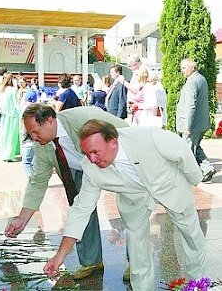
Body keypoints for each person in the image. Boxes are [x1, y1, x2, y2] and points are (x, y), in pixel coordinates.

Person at [43, 119, 207, 290]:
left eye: (95, 152)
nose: (91, 159)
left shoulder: (148, 137)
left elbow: (181, 150)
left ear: (113, 142)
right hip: (134, 201)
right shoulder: (91, 167)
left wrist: (194, 179)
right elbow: (80, 209)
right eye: (86, 154)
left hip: (169, 187)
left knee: (192, 237)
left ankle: (199, 284)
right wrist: (60, 255)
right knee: (137, 250)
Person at [4, 104, 129, 280]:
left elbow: (123, 132)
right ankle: (91, 261)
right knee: (80, 210)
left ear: (49, 120)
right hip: (79, 169)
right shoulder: (42, 144)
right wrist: (22, 219)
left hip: (115, 160)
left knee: (131, 208)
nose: (33, 137)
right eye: (30, 133)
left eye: (35, 131)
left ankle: (136, 263)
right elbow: (37, 181)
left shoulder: (84, 119)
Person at [176, 58, 215, 182]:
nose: (182, 71)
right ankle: (207, 168)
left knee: (187, 152)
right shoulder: (201, 79)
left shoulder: (192, 82)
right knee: (195, 147)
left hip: (192, 125)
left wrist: (188, 126)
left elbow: (191, 106)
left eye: (184, 68)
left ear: (192, 68)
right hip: (200, 123)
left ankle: (189, 178)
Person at [0, 72, 21, 162]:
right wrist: (21, 113)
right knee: (12, 135)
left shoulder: (1, 89)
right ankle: (10, 155)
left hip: (4, 115)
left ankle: (4, 154)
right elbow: (16, 103)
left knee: (5, 135)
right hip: (13, 115)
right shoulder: (12, 90)